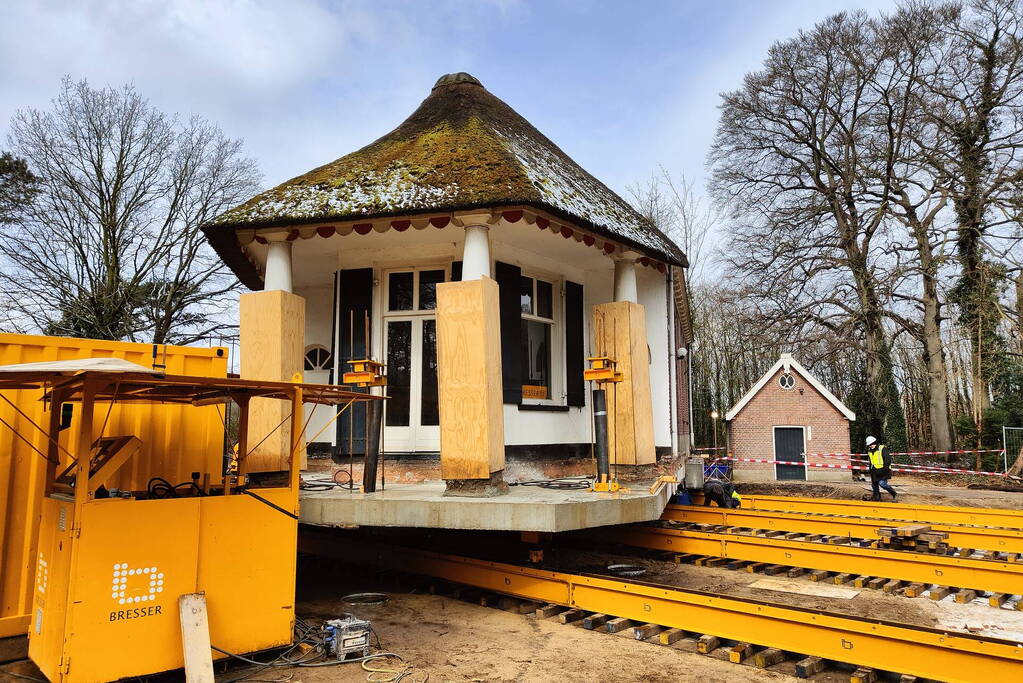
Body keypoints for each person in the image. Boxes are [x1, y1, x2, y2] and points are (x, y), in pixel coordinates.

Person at [865, 435, 897, 502]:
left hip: (883, 470)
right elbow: (871, 461)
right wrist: (870, 469)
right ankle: (877, 498)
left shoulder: (882, 448)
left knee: (882, 484)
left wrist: (884, 470)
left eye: (870, 444)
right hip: (874, 470)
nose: (870, 446)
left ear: (874, 443)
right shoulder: (870, 450)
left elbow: (887, 460)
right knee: (874, 485)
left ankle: (894, 493)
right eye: (869, 445)